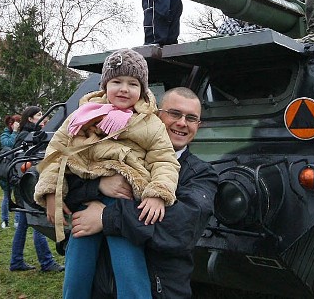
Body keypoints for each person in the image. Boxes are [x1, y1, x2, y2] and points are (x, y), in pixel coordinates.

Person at [34, 49, 180, 299]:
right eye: (116, 81)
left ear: (143, 89)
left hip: (125, 201)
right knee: (77, 269)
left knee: (129, 268)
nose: (124, 89)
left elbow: (165, 161)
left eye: (133, 83)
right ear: (104, 85)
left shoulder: (150, 122)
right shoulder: (83, 115)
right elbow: (56, 152)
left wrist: (158, 193)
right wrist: (51, 193)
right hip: (86, 195)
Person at [67, 87, 218, 299]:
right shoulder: (116, 154)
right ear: (157, 115)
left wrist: (106, 217)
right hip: (100, 289)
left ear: (198, 126)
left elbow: (180, 228)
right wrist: (98, 186)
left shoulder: (200, 174)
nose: (182, 123)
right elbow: (67, 189)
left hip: (159, 292)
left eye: (191, 118)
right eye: (174, 113)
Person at [8, 106, 64, 272]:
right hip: (27, 184)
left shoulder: (29, 134)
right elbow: (22, 160)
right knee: (38, 222)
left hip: (25, 183)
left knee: (25, 224)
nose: (42, 117)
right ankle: (46, 262)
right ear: (31, 118)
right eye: (39, 115)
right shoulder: (27, 136)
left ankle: (16, 261)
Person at [0, 114, 22, 228]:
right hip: (7, 170)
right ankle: (5, 220)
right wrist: (14, 132)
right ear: (11, 124)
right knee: (7, 196)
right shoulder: (5, 135)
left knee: (18, 196)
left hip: (17, 169)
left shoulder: (20, 134)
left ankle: (17, 221)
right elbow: (9, 145)